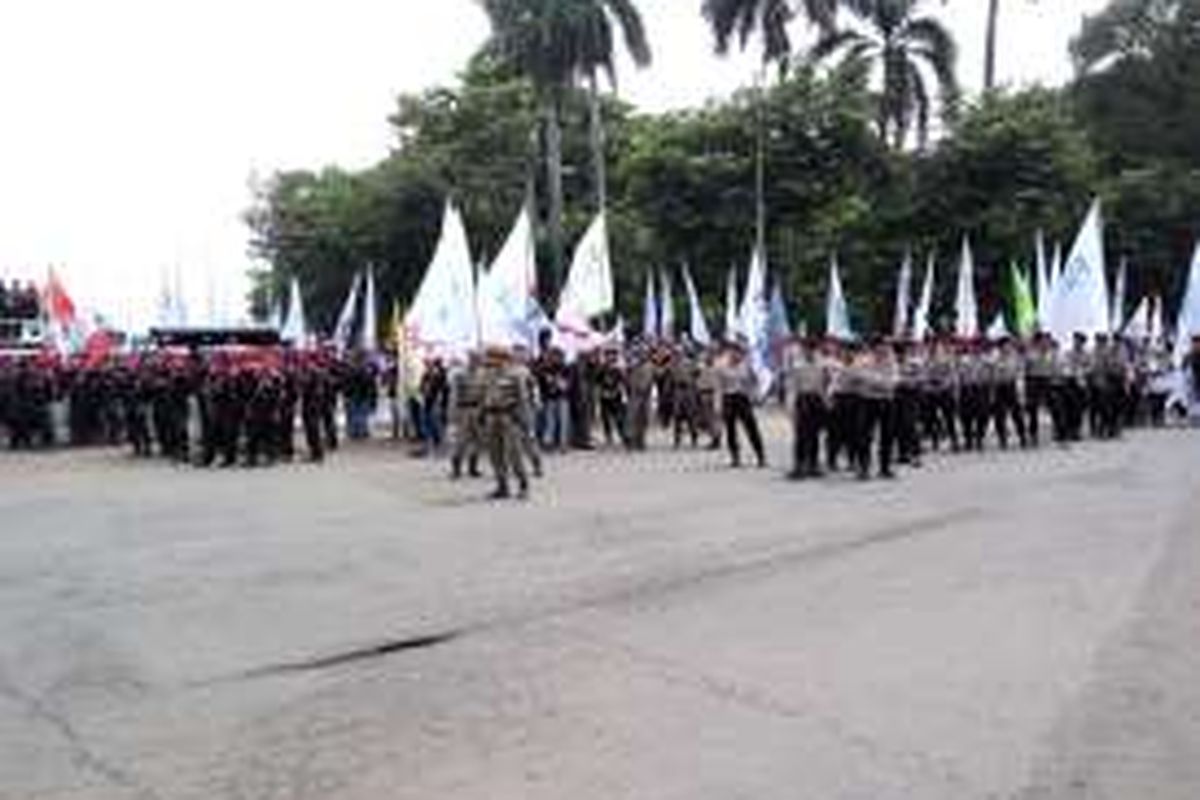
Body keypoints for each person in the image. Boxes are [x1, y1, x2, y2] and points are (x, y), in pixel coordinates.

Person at [480, 346, 532, 500]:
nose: (490, 363)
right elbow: (484, 397)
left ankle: (523, 485)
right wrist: (482, 414)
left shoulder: (515, 375)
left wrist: (525, 422)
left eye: (493, 359)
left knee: (514, 453)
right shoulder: (488, 376)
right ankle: (502, 485)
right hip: (492, 416)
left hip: (509, 416)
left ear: (503, 359)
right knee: (495, 454)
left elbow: (523, 399)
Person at [716, 341, 765, 469]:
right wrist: (718, 404)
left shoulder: (746, 365)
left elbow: (755, 381)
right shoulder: (721, 366)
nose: (736, 356)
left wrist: (756, 396)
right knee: (730, 429)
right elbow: (719, 387)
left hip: (742, 398)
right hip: (729, 398)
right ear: (729, 353)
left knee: (751, 427)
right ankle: (735, 457)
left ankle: (760, 455)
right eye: (734, 353)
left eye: (739, 353)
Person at [786, 337, 827, 480]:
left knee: (814, 434)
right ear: (803, 350)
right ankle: (798, 465)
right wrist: (790, 406)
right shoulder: (797, 365)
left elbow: (822, 386)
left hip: (815, 399)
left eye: (812, 349)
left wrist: (825, 402)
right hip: (802, 399)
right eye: (807, 349)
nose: (810, 351)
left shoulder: (820, 364)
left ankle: (813, 464)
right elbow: (792, 387)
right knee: (801, 434)